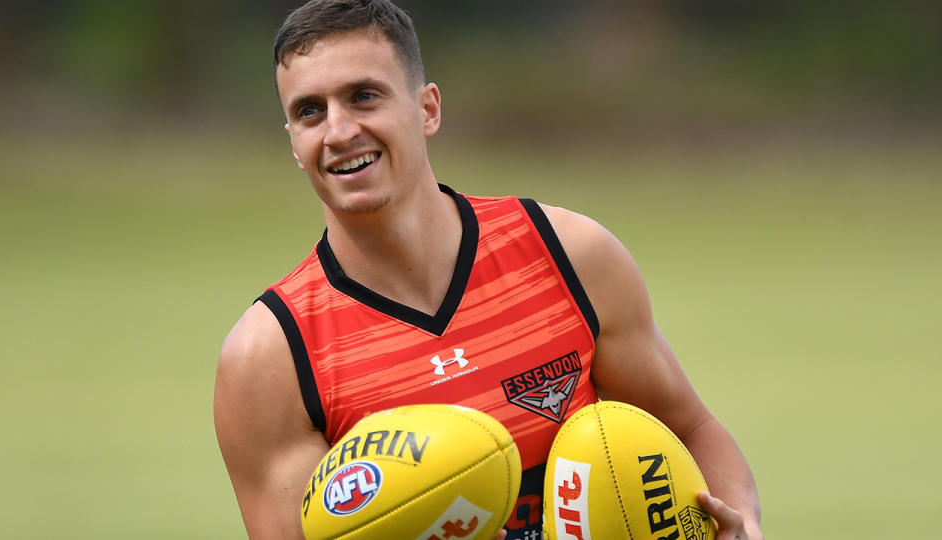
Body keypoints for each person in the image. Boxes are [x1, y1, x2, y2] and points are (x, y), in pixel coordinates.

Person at [213, 1, 763, 539]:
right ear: (293, 141)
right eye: (310, 111)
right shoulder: (271, 356)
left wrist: (742, 523)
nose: (338, 131)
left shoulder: (566, 253)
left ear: (427, 109)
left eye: (364, 96)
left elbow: (690, 428)